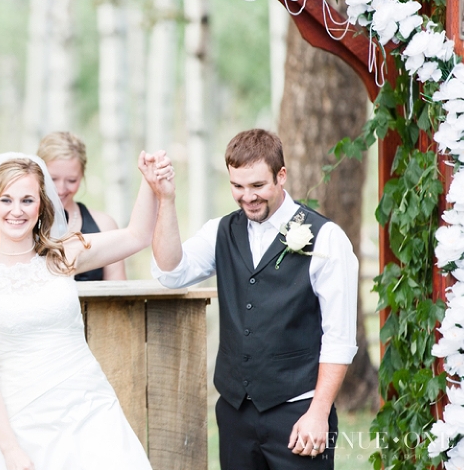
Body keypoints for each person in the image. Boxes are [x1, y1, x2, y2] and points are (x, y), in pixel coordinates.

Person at [146, 129, 358, 470]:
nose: (247, 197)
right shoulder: (220, 231)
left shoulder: (327, 238)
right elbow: (171, 272)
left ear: (281, 176)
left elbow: (340, 338)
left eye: (258, 185)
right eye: (238, 186)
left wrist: (318, 412)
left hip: (299, 411)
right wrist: (166, 200)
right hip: (235, 414)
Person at [0, 151, 172, 470]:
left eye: (27, 200)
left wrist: (148, 181)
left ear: (41, 205)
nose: (17, 210)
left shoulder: (63, 255)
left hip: (91, 409)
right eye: (6, 200)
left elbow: (136, 236)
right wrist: (10, 449)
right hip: (25, 421)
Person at [37, 132, 126, 281]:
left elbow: (119, 287)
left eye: (71, 180)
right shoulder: (23, 223)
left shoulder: (104, 225)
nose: (60, 189)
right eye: (52, 179)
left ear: (82, 175)